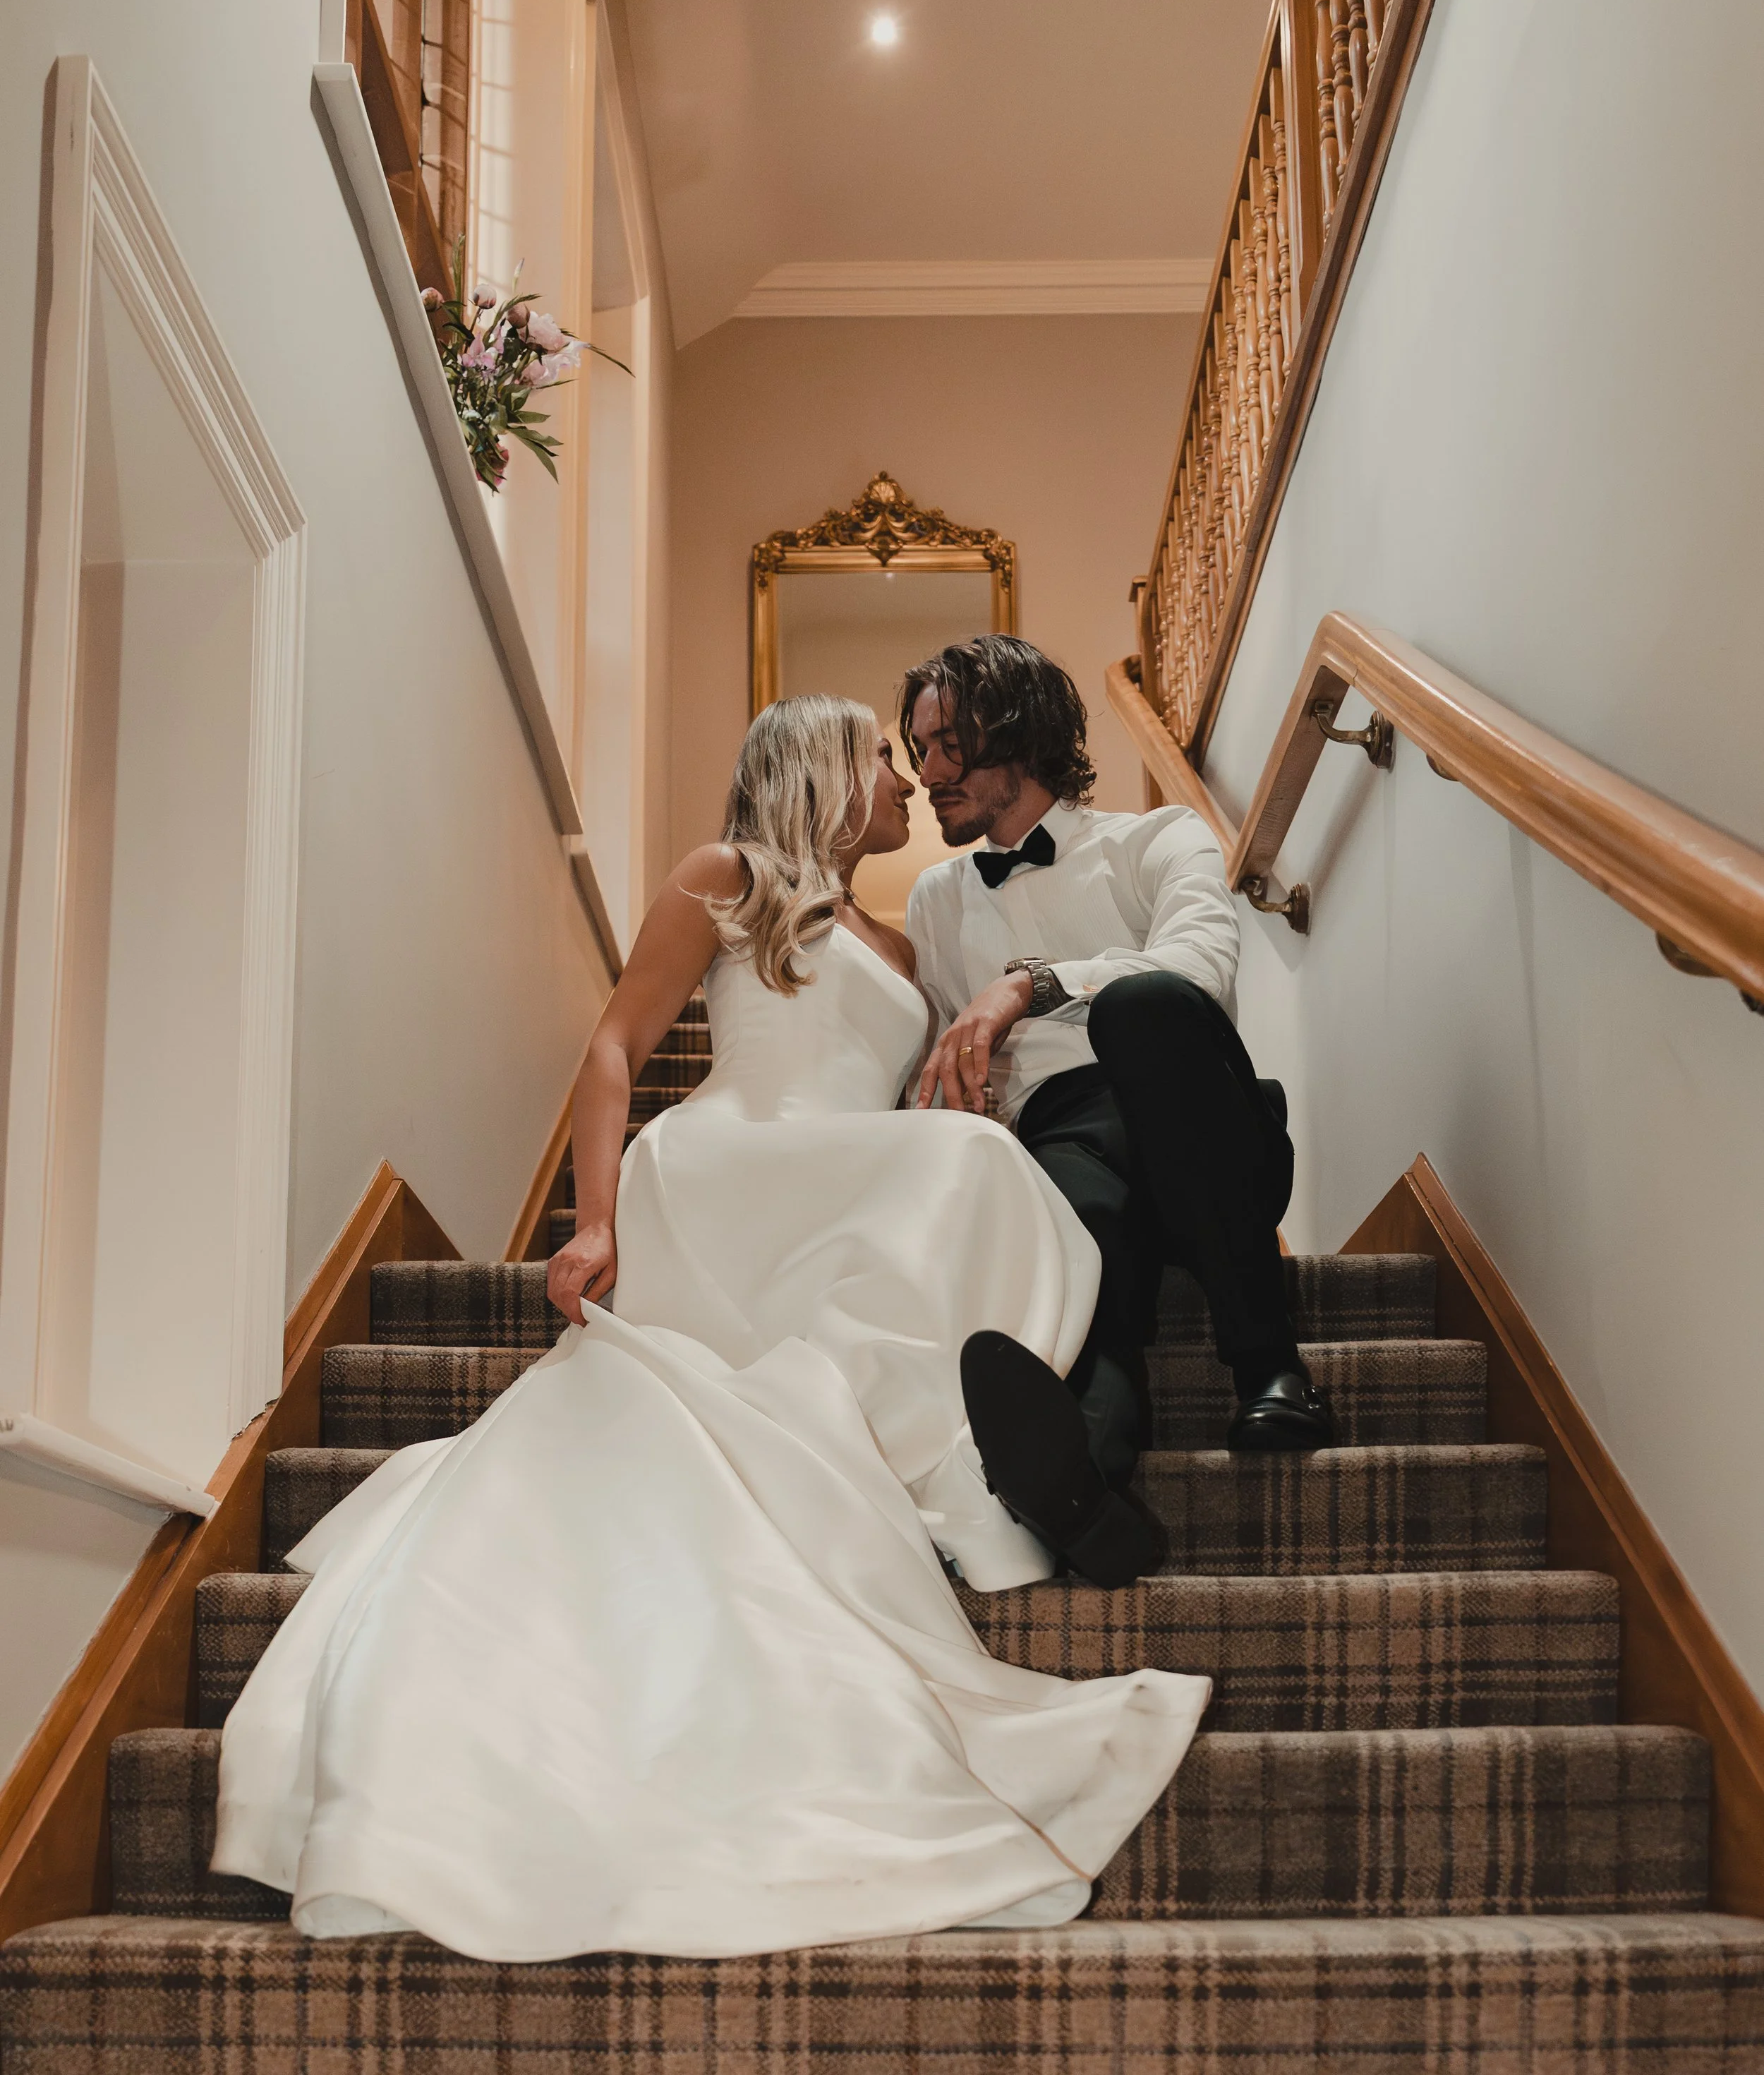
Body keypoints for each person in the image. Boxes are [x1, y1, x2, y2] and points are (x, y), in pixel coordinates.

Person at [212, 694, 1208, 1963]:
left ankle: (951, 1434)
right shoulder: (727, 876)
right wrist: (591, 1222)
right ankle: (964, 1448)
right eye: (885, 766)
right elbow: (617, 1047)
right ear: (821, 769)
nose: (908, 788)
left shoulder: (905, 947)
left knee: (967, 1163)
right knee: (954, 1169)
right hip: (730, 1168)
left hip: (845, 1179)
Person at [900, 634, 1333, 1575]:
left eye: (948, 745)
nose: (928, 771)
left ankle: (1268, 1360)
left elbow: (1200, 970)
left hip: (1204, 1135)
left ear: (1020, 730)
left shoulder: (1158, 836)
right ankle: (1085, 1491)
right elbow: (933, 1048)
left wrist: (1032, 984)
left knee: (1142, 1011)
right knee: (1080, 1239)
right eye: (918, 750)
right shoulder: (935, 900)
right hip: (1063, 1147)